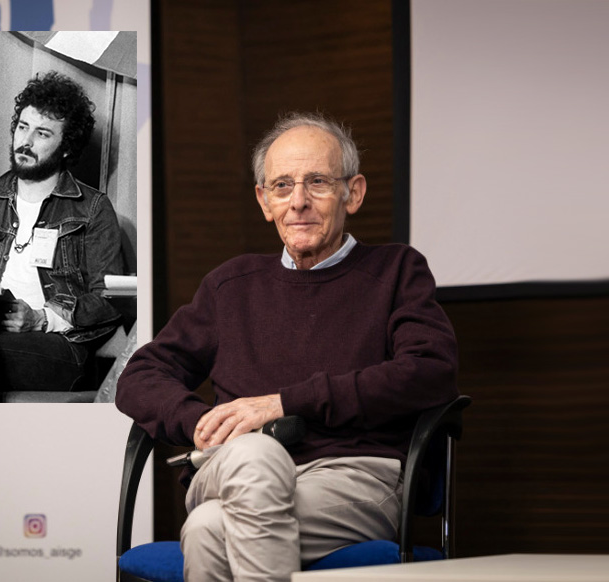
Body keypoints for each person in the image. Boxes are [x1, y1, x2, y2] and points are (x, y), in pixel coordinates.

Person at [115, 112, 459, 581]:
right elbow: (140, 376)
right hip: (232, 466)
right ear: (264, 201)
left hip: (352, 477)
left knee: (207, 529)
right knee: (254, 458)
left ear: (352, 193)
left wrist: (282, 404)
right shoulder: (229, 285)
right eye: (281, 186)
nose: (298, 201)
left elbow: (429, 371)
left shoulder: (397, 271)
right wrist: (204, 422)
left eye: (317, 182)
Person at [0, 71, 125, 402]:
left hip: (62, 346)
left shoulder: (93, 209)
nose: (25, 142)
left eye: (42, 133)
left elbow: (108, 299)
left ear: (66, 147)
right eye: (22, 127)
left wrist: (42, 319)